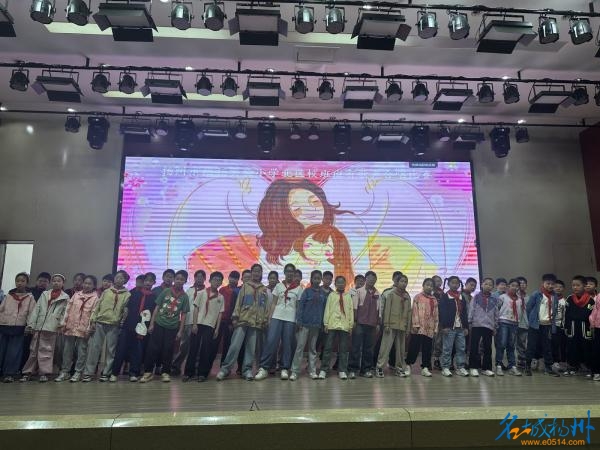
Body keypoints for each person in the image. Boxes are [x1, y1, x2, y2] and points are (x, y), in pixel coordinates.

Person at [217, 264, 269, 381]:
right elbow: (238, 303)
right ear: (251, 273)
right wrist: (235, 317)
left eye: (258, 271)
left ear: (261, 273)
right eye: (254, 271)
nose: (256, 273)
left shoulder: (264, 289)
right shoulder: (245, 287)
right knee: (234, 346)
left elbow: (264, 307)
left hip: (255, 323)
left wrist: (264, 320)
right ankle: (225, 369)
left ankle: (247, 370)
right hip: (242, 321)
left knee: (250, 348)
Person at [255, 263, 303, 381]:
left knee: (287, 344)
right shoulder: (279, 286)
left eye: (292, 271)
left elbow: (298, 307)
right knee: (271, 341)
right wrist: (269, 317)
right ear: (285, 272)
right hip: (276, 316)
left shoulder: (299, 288)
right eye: (288, 271)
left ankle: (284, 368)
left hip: (290, 318)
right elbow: (274, 303)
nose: (290, 273)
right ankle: (264, 368)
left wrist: (298, 320)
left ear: (294, 273)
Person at [140, 270, 190, 383]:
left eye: (182, 279)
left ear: (185, 281)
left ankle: (165, 372)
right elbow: (157, 307)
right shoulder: (166, 291)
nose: (179, 281)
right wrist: (152, 323)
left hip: (172, 327)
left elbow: (184, 315)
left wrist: (180, 331)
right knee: (153, 349)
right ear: (174, 280)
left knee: (168, 350)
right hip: (159, 324)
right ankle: (148, 372)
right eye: (177, 278)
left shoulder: (185, 297)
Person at [82, 270, 131, 382]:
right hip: (100, 322)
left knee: (111, 350)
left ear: (125, 280)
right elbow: (97, 307)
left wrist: (121, 322)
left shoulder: (127, 294)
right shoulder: (106, 291)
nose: (118, 279)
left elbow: (125, 311)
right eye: (117, 277)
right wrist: (93, 320)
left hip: (114, 325)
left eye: (121, 278)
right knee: (94, 348)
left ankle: (106, 372)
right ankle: (88, 373)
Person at [20, 274, 69, 382]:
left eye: (59, 281)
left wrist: (61, 324)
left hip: (51, 327)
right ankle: (28, 372)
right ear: (51, 282)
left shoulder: (65, 297)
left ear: (63, 283)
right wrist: (31, 324)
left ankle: (44, 373)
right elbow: (37, 309)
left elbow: (65, 313)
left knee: (46, 351)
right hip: (39, 326)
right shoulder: (45, 294)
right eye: (54, 281)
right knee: (33, 350)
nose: (56, 283)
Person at [111, 273, 156, 382]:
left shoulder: (154, 297)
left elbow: (153, 313)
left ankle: (133, 373)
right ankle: (114, 373)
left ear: (154, 283)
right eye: (146, 280)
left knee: (137, 350)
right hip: (128, 325)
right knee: (121, 349)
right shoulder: (133, 293)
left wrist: (150, 325)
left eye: (150, 281)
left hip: (142, 328)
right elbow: (126, 308)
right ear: (143, 282)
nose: (148, 283)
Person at [55, 275, 99, 382]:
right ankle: (65, 371)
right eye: (85, 283)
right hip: (71, 326)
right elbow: (68, 309)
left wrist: (89, 329)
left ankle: (78, 372)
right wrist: (63, 323)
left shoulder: (95, 298)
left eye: (89, 284)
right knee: (67, 350)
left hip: (83, 329)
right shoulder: (76, 295)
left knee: (81, 351)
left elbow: (93, 315)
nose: (86, 285)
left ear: (94, 286)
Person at [184, 272, 224, 382]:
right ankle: (188, 373)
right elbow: (196, 309)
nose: (217, 282)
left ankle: (202, 373)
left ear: (221, 283)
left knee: (206, 350)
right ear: (210, 280)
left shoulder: (221, 297)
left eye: (219, 280)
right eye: (215, 279)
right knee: (193, 348)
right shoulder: (201, 293)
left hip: (210, 325)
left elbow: (220, 314)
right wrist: (194, 324)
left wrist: (217, 329)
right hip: (198, 324)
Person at [290, 270, 327, 380]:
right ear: (311, 279)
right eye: (315, 278)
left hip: (316, 325)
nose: (317, 280)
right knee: (300, 347)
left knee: (312, 349)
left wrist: (322, 323)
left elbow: (324, 310)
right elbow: (301, 307)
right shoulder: (306, 291)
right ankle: (295, 371)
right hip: (304, 324)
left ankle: (312, 371)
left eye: (318, 278)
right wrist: (299, 321)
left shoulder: (323, 294)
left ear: (321, 280)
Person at [0, 273, 36, 382]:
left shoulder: (30, 297)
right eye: (18, 281)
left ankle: (9, 373)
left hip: (19, 327)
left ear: (27, 283)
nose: (19, 283)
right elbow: (1, 309)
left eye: (22, 281)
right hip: (4, 325)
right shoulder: (9, 296)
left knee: (14, 351)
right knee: (1, 349)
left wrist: (29, 326)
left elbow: (32, 313)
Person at [375, 274, 411, 378]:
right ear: (397, 282)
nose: (404, 283)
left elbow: (409, 313)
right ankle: (379, 367)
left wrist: (408, 328)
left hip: (402, 326)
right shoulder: (391, 294)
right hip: (390, 325)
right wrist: (386, 324)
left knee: (400, 350)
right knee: (385, 347)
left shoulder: (407, 296)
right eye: (402, 281)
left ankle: (399, 368)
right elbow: (387, 310)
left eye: (405, 282)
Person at [318, 275, 354, 379]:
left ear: (345, 284)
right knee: (328, 348)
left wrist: (350, 325)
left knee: (343, 349)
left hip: (344, 325)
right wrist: (326, 323)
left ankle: (342, 370)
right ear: (335, 284)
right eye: (338, 282)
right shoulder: (331, 295)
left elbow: (351, 311)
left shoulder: (348, 296)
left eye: (342, 282)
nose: (341, 284)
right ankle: (324, 369)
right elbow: (327, 309)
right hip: (332, 325)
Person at [525, 273, 559, 377]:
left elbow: (555, 309)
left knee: (547, 346)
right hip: (535, 325)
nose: (550, 286)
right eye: (548, 283)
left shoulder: (555, 295)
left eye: (552, 284)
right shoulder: (536, 294)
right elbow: (528, 308)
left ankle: (548, 368)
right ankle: (527, 367)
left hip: (547, 325)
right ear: (543, 283)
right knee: (531, 346)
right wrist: (532, 321)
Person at [172, 270, 205, 375]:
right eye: (197, 277)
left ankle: (195, 368)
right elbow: (183, 307)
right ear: (194, 278)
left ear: (205, 279)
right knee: (184, 346)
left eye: (201, 277)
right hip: (187, 322)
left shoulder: (206, 292)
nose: (199, 279)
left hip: (199, 323)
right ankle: (176, 366)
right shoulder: (188, 291)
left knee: (198, 347)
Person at [348, 271, 380, 379]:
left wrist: (378, 323)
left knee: (369, 348)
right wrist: (354, 321)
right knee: (355, 347)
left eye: (374, 278)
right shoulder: (358, 291)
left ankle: (365, 370)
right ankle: (352, 369)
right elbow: (355, 307)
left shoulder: (377, 293)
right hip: (359, 323)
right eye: (369, 278)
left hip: (372, 324)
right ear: (366, 279)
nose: (371, 280)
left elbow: (379, 310)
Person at [406, 278, 438, 377]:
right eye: (427, 285)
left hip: (429, 328)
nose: (429, 287)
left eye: (431, 286)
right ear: (423, 286)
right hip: (419, 328)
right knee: (414, 347)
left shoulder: (434, 299)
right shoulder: (418, 297)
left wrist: (435, 328)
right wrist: (415, 325)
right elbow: (414, 312)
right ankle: (408, 365)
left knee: (427, 349)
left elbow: (436, 314)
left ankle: (425, 367)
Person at [563, 275, 594, 376]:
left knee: (586, 347)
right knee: (572, 347)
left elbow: (587, 315)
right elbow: (567, 314)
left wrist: (577, 316)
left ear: (584, 286)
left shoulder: (590, 300)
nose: (575, 287)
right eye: (573, 285)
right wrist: (566, 327)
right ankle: (572, 367)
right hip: (572, 328)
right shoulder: (570, 299)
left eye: (578, 285)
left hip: (585, 328)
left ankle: (589, 368)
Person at [438, 276, 469, 377]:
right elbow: (442, 312)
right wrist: (444, 326)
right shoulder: (445, 297)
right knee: (447, 348)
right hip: (449, 328)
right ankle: (445, 367)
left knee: (461, 348)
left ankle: (460, 367)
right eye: (453, 283)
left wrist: (466, 327)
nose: (455, 285)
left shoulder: (461, 297)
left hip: (461, 328)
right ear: (448, 284)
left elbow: (464, 313)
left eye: (457, 283)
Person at [20, 272, 51, 371]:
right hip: (25, 322)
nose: (42, 283)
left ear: (48, 283)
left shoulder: (48, 294)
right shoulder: (28, 291)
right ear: (36, 281)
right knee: (24, 345)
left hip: (39, 324)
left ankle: (32, 369)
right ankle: (21, 367)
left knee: (34, 347)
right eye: (40, 281)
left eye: (45, 281)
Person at [468, 278, 498, 377]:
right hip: (476, 325)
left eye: (490, 285)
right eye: (486, 284)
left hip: (489, 326)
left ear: (492, 287)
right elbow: (471, 309)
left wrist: (495, 326)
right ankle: (473, 367)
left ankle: (486, 368)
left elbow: (496, 313)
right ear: (482, 285)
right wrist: (470, 322)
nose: (488, 286)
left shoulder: (494, 299)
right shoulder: (476, 297)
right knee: (474, 347)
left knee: (487, 348)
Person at [211, 271, 240, 369]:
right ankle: (208, 364)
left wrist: (232, 322)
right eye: (232, 277)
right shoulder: (222, 290)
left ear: (238, 280)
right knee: (214, 343)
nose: (233, 280)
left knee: (227, 344)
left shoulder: (239, 291)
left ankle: (223, 367)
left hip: (230, 322)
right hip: (219, 320)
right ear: (228, 278)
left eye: (235, 278)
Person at [496, 279, 523, 376]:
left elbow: (520, 312)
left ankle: (512, 366)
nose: (514, 287)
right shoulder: (502, 297)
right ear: (508, 286)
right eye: (512, 285)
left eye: (516, 286)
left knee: (511, 345)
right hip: (503, 322)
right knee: (502, 344)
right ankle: (498, 365)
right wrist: (496, 323)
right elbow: (497, 309)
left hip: (514, 324)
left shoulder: (519, 299)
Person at [551, 280, 567, 372]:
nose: (558, 288)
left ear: (563, 289)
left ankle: (560, 361)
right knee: (551, 344)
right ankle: (552, 361)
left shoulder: (565, 301)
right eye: (556, 286)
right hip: (550, 325)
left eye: (560, 287)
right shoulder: (550, 299)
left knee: (560, 344)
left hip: (560, 326)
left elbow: (565, 315)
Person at [515, 276, 529, 370]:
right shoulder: (513, 296)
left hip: (524, 323)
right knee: (511, 343)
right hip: (514, 322)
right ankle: (512, 362)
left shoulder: (529, 297)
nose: (522, 285)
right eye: (520, 283)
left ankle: (521, 360)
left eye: (524, 283)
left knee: (522, 342)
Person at [431, 275, 444, 370]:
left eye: (440, 281)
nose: (438, 282)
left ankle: (436, 359)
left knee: (438, 341)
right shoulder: (430, 292)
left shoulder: (443, 293)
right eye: (436, 281)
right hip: (429, 320)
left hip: (440, 320)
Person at [589, 294, 600, 381]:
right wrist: (592, 323)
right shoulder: (599, 296)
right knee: (597, 350)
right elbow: (595, 310)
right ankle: (596, 372)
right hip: (598, 327)